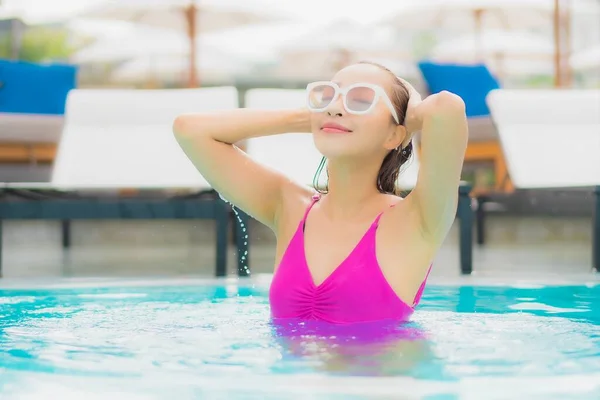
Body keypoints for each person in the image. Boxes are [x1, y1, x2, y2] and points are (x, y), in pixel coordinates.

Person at [173, 61, 468, 324]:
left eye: (361, 100)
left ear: (394, 135)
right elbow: (189, 129)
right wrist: (309, 118)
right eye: (328, 96)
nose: (336, 107)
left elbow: (447, 108)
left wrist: (406, 119)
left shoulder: (416, 220)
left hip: (380, 385)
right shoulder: (288, 206)